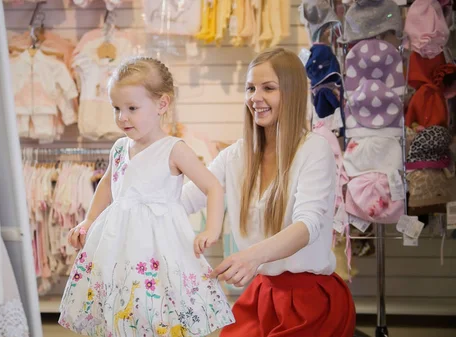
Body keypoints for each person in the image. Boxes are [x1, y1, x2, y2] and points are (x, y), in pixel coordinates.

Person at [181, 47, 356, 337]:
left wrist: (251, 257)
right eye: (250, 87)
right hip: (262, 297)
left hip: (309, 303)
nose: (255, 97)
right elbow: (187, 198)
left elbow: (308, 224)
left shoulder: (313, 149)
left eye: (268, 88)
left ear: (292, 92)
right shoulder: (235, 155)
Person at [58, 56, 235, 337]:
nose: (122, 117)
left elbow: (213, 187)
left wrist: (211, 230)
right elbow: (107, 184)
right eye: (116, 108)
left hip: (159, 244)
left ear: (161, 105)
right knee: (121, 304)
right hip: (118, 241)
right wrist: (89, 220)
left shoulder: (174, 149)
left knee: (160, 309)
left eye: (131, 108)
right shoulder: (119, 147)